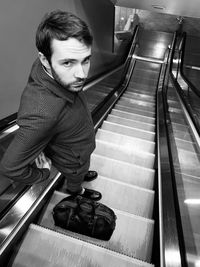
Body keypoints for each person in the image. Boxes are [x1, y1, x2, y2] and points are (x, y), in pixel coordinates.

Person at [0, 10, 101, 201]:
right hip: (72, 160)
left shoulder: (47, 67)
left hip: (78, 146)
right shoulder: (42, 113)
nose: (82, 74)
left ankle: (80, 173)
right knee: (76, 176)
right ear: (44, 60)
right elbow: (10, 166)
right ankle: (76, 191)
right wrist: (43, 174)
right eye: (68, 63)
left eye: (86, 60)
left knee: (82, 169)